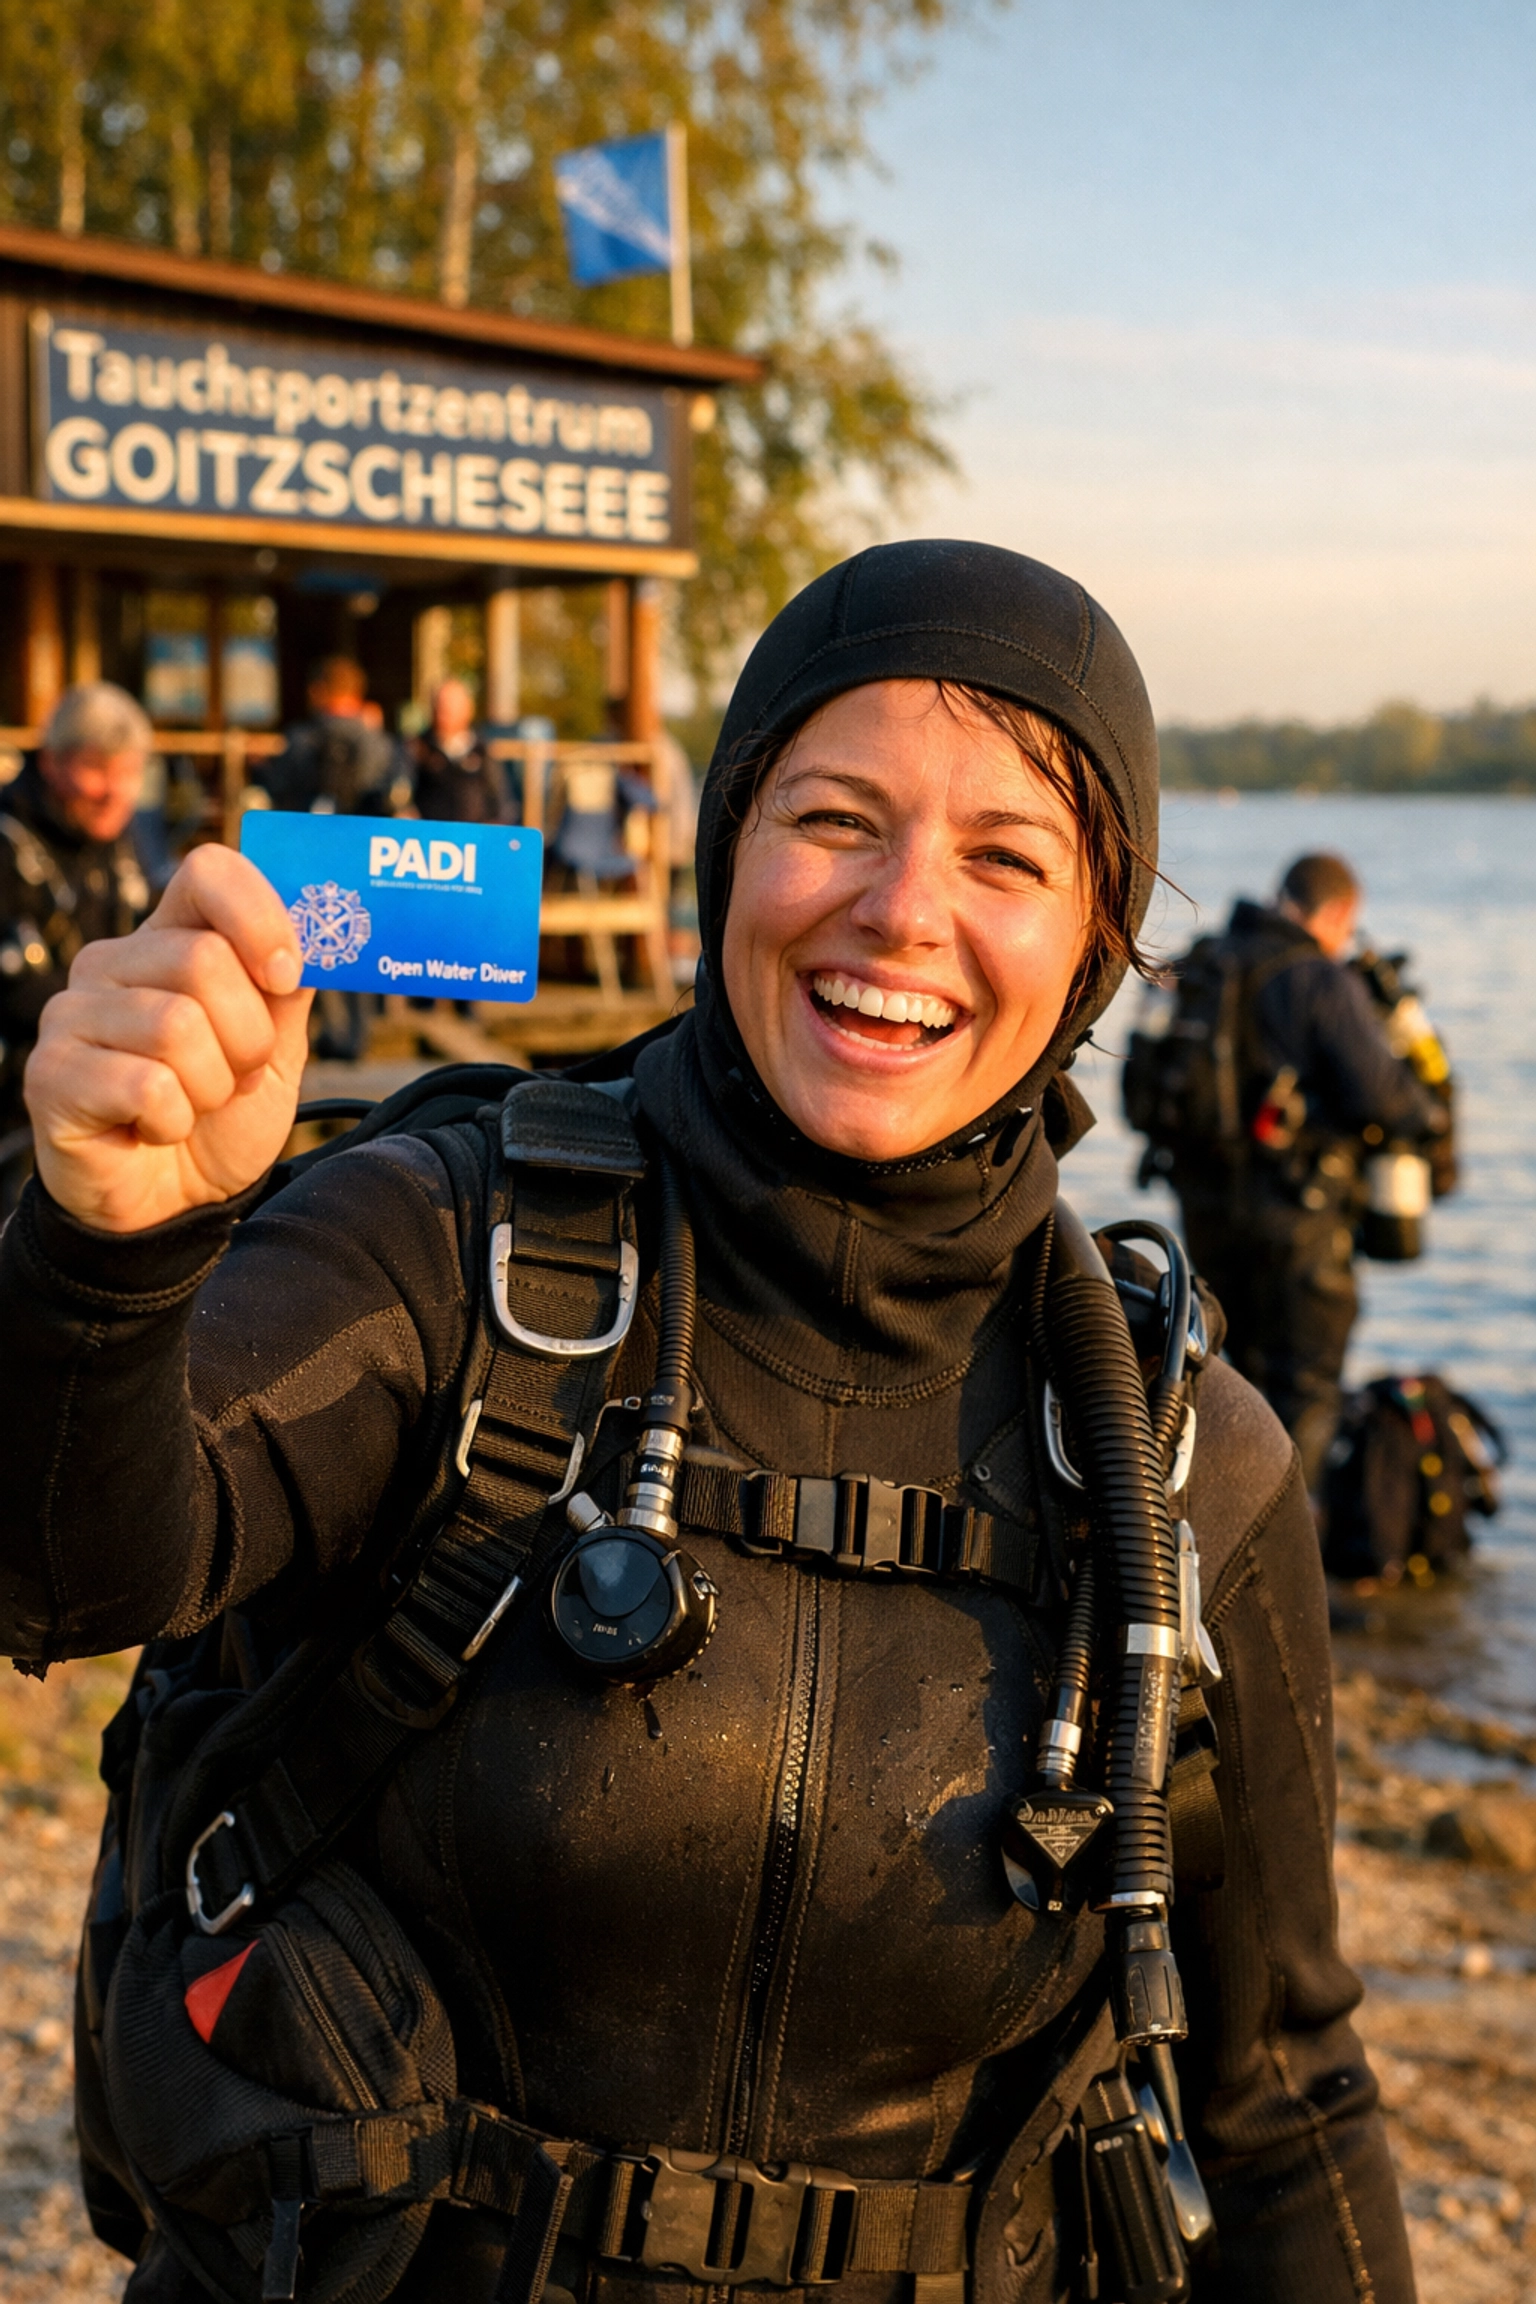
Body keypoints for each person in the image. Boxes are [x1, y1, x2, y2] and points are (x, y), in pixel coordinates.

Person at [4, 543, 1413, 2304]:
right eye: (834, 817)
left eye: (1005, 856)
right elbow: (55, 1573)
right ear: (724, 848)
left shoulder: (1181, 1457)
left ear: (1096, 947)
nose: (903, 909)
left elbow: (1283, 2092)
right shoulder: (447, 1243)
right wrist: (108, 1250)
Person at [1127, 851, 1446, 1494]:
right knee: (1305, 1395)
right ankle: (1297, 1566)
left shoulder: (1202, 964)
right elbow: (1391, 1102)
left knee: (1222, 1384)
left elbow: (1145, 1097)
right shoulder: (1317, 980)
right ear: (1339, 915)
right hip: (1300, 1223)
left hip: (1206, 1216)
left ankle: (1211, 1539)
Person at [0, 680, 151, 1211]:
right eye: (96, 769)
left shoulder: (122, 845)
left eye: (129, 771)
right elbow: (14, 992)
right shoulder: (8, 843)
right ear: (50, 763)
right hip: (19, 1113)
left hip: (111, 1095)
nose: (114, 790)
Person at [253, 655, 407, 1059]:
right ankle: (360, 1035)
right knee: (360, 938)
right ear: (357, 693)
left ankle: (332, 1034)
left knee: (315, 942)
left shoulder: (301, 739)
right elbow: (397, 793)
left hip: (311, 854)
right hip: (368, 857)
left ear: (320, 691)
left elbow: (277, 790)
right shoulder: (382, 744)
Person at [408, 677, 513, 823]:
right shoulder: (417, 750)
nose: (445, 711)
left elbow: (502, 804)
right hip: (428, 840)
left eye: (452, 705)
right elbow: (401, 796)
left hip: (474, 840)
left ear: (468, 708)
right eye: (440, 704)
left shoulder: (483, 753)